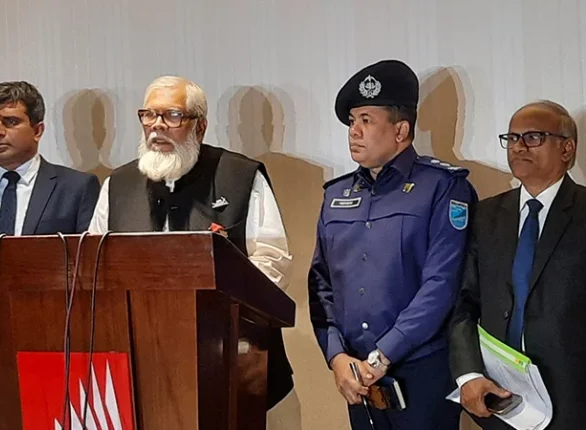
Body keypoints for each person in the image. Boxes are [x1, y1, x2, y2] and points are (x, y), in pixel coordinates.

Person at [88, 75, 300, 429]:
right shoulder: (118, 186)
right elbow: (96, 269)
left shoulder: (240, 176)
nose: (157, 126)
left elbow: (271, 264)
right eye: (149, 115)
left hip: (237, 368)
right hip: (145, 374)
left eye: (172, 116)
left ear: (199, 126)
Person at [308, 59, 477, 429]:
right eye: (352, 121)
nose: (354, 131)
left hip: (422, 373)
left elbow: (442, 284)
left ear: (401, 130)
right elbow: (321, 284)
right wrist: (336, 356)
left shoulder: (443, 187)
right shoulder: (336, 196)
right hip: (357, 379)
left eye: (366, 120)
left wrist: (383, 355)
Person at [0, 81, 100, 414]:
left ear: (37, 130)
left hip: (57, 352)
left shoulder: (76, 188)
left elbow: (88, 282)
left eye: (10, 122)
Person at [449, 100, 584, 429]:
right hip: (500, 399)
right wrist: (469, 375)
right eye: (512, 138)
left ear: (567, 148)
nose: (519, 147)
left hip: (574, 403)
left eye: (533, 137)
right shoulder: (486, 216)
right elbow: (464, 302)